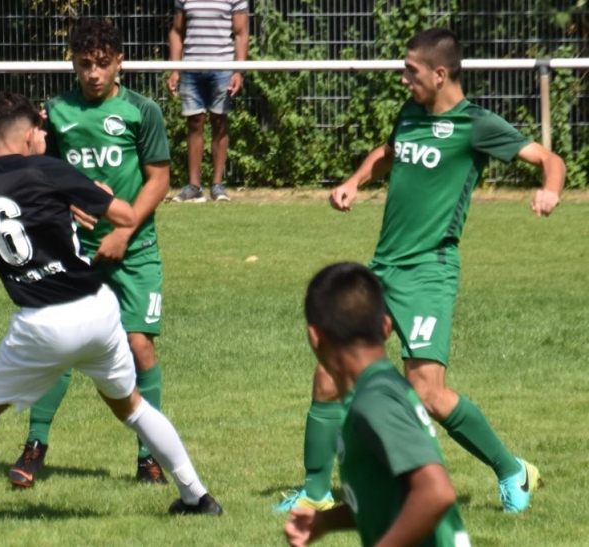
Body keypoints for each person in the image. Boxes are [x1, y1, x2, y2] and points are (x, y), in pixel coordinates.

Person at [0, 92, 221, 528]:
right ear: (29, 136)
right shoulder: (53, 171)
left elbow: (25, 212)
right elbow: (123, 216)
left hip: (42, 320)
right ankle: (197, 496)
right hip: (97, 311)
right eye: (41, 131)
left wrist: (64, 203)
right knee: (133, 407)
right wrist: (90, 194)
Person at [274, 27, 562, 514]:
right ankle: (316, 495)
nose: (404, 79)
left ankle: (513, 470)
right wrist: (354, 181)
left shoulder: (476, 125)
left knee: (429, 393)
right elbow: (388, 154)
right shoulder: (410, 113)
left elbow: (547, 158)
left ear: (440, 74)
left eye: (411, 70)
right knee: (331, 369)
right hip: (383, 268)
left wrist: (550, 189)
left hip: (429, 272)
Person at [7, 19, 174, 487]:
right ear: (74, 64)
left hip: (135, 250)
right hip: (75, 250)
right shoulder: (57, 112)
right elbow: (39, 174)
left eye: (103, 63)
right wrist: (67, 202)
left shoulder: (142, 111)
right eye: (85, 64)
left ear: (119, 62)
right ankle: (35, 446)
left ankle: (149, 457)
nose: (94, 73)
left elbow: (159, 179)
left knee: (139, 345)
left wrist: (124, 229)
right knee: (59, 344)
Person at [284, 262, 470, 547]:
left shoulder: (374, 401)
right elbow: (386, 498)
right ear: (386, 326)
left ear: (315, 337)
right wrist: (325, 521)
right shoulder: (383, 387)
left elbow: (436, 492)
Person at [167, 0, 249, 203]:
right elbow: (177, 31)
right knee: (194, 122)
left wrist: (238, 71)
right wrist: (175, 69)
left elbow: (241, 33)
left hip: (222, 67)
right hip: (191, 67)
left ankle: (217, 185)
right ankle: (194, 186)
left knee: (219, 122)